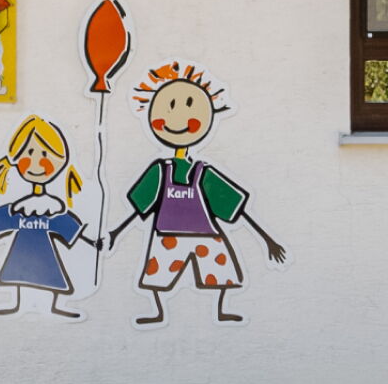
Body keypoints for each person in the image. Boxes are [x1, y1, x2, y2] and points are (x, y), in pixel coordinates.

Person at [99, 63, 282, 324]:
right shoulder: (160, 170)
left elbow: (236, 208)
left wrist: (267, 240)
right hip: (167, 235)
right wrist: (116, 233)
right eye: (169, 107)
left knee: (221, 271)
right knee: (157, 274)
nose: (178, 120)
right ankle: (158, 312)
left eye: (189, 107)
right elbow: (140, 208)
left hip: (204, 234)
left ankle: (220, 310)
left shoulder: (203, 172)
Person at [0, 116, 92, 317]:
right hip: (22, 250)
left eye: (45, 154)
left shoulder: (52, 208)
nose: (36, 163)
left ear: (60, 160)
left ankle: (50, 308)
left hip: (45, 253)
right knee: (20, 275)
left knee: (48, 276)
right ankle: (20, 305)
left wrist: (94, 242)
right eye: (29, 153)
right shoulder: (20, 208)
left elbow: (68, 227)